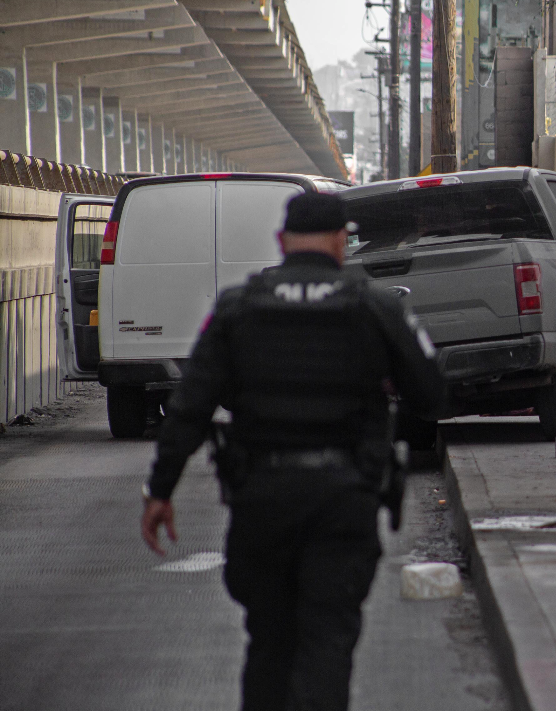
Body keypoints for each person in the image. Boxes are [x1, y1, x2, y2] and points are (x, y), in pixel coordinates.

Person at [140, 192, 443, 711]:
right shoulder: (374, 305)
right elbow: (433, 394)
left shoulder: (240, 307)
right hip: (343, 499)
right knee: (326, 643)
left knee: (269, 644)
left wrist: (160, 490)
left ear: (281, 243)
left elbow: (189, 406)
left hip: (262, 499)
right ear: (340, 242)